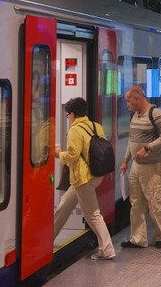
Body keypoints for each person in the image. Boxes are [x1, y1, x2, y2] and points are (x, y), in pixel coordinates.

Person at [53, 97, 115, 260]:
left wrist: (58, 154)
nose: (69, 118)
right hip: (96, 174)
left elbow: (73, 156)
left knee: (93, 215)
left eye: (68, 115)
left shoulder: (75, 130)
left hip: (83, 178)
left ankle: (107, 249)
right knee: (65, 204)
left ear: (73, 114)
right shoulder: (96, 126)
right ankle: (49, 237)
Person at [119, 86, 161, 249]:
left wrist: (147, 148)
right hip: (136, 165)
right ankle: (138, 238)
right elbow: (131, 139)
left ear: (137, 98)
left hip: (153, 165)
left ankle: (160, 237)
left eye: (129, 101)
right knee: (136, 202)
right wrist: (126, 159)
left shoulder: (155, 113)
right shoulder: (133, 115)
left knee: (154, 201)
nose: (127, 105)